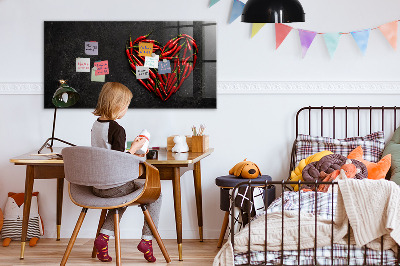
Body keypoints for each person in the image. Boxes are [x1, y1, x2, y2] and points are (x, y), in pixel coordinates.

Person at [91, 82, 161, 263]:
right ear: (118, 105)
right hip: (114, 186)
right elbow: (119, 161)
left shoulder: (96, 125)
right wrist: (136, 148)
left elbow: (108, 154)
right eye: (127, 105)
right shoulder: (117, 129)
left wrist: (131, 149)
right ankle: (147, 240)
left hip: (97, 186)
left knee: (121, 197)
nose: (126, 109)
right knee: (156, 194)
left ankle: (103, 238)